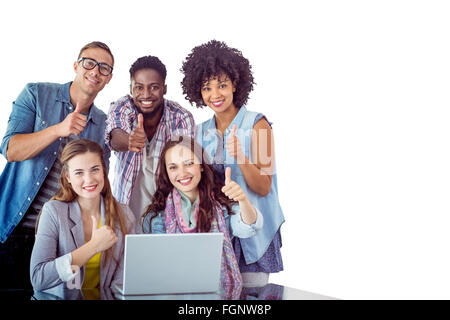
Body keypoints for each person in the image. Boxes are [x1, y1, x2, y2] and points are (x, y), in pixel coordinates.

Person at [0, 41, 114, 289]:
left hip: (60, 239)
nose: (95, 71)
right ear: (76, 65)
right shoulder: (36, 94)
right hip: (13, 228)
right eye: (89, 63)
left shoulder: (104, 124)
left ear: (108, 79)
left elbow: (96, 185)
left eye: (104, 68)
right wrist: (58, 129)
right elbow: (10, 150)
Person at [180, 40, 285, 287]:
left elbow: (264, 187)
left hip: (254, 232)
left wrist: (240, 156)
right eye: (207, 88)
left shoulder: (258, 125)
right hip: (219, 233)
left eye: (222, 85)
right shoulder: (200, 131)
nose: (215, 95)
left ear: (236, 84)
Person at [142, 136, 263, 288]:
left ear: (201, 165)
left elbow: (248, 227)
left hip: (218, 292)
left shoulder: (222, 207)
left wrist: (243, 200)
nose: (182, 173)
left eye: (189, 163)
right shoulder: (155, 218)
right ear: (167, 172)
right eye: (173, 167)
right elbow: (156, 267)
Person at [30, 139, 135, 293]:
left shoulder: (124, 214)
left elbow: (123, 281)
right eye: (79, 172)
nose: (89, 179)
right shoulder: (53, 212)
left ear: (104, 171)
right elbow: (39, 279)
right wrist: (93, 247)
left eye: (95, 169)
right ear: (68, 177)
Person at [105, 55, 195, 229]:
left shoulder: (180, 117)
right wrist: (129, 141)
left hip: (168, 213)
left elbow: (185, 166)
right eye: (139, 87)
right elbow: (115, 136)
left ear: (165, 88)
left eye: (154, 87)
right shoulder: (122, 107)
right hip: (124, 212)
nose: (146, 95)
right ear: (131, 89)